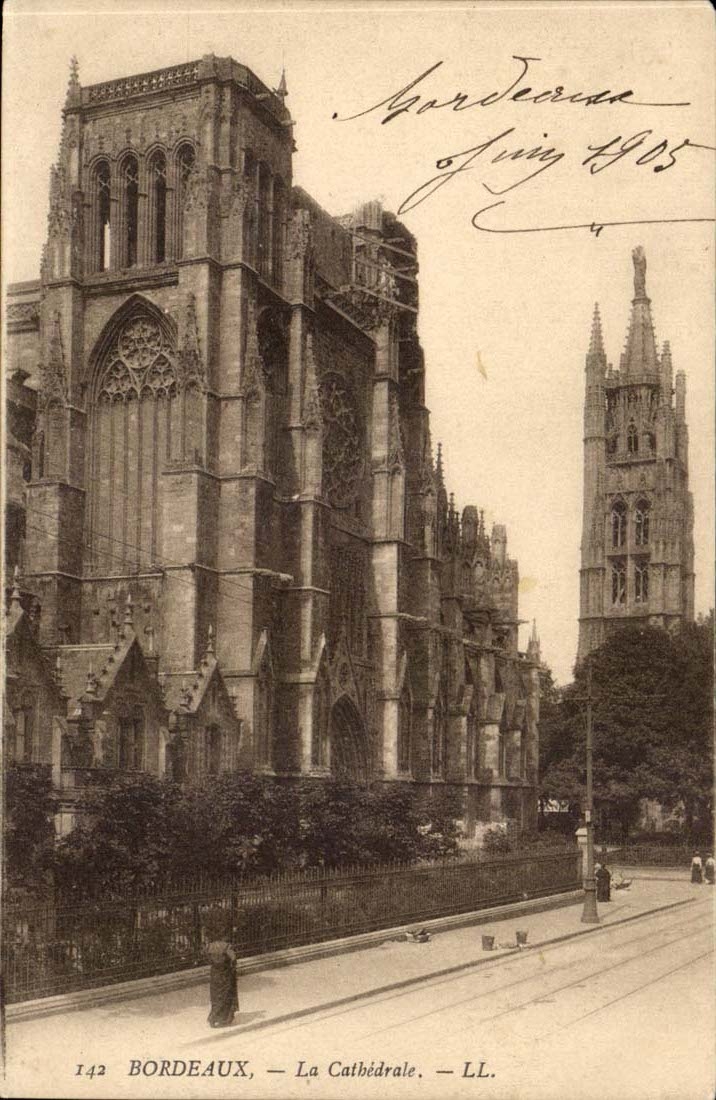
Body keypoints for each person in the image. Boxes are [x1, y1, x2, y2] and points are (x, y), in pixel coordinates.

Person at [207, 938, 239, 1028]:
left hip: (214, 975)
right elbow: (233, 958)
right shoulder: (226, 946)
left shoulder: (209, 946)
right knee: (226, 995)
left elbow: (208, 959)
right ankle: (221, 1017)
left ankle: (214, 1016)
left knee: (216, 996)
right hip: (225, 974)